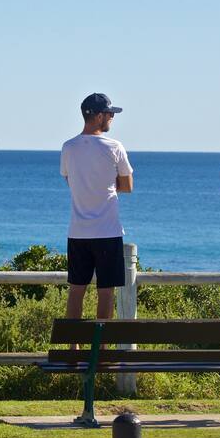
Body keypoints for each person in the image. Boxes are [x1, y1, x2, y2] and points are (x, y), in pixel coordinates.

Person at [60, 93, 133, 322]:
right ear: (99, 115)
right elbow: (127, 185)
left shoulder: (68, 147)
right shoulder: (114, 146)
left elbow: (69, 180)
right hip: (107, 231)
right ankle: (100, 350)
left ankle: (73, 351)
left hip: (78, 232)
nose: (112, 117)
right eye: (110, 114)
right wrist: (108, 184)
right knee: (106, 292)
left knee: (76, 290)